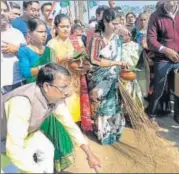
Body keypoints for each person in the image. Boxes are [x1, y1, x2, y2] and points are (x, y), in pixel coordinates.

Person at [2, 63, 101, 173]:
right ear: (46, 86)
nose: (67, 92)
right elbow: (14, 148)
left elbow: (70, 125)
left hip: (26, 134)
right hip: (4, 139)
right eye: (63, 87)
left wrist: (90, 154)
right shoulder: (22, 102)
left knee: (47, 149)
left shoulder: (54, 98)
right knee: (12, 169)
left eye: (68, 86)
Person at [87, 8, 127, 145]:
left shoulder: (118, 39)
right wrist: (116, 62)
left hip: (114, 78)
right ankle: (103, 134)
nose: (116, 27)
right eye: (114, 24)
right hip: (100, 80)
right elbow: (94, 60)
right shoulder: (97, 39)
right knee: (103, 107)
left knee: (114, 105)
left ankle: (114, 132)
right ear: (105, 21)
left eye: (118, 24)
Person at [146, 0, 179, 119]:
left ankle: (177, 116)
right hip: (162, 59)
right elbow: (150, 40)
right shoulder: (155, 15)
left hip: (178, 59)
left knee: (177, 89)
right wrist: (166, 50)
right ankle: (151, 114)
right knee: (158, 89)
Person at [47, 14, 83, 123]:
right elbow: (50, 64)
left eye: (68, 26)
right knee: (62, 109)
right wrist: (66, 57)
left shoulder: (77, 41)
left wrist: (82, 64)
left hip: (75, 78)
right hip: (59, 80)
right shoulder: (51, 44)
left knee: (75, 105)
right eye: (62, 26)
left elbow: (83, 56)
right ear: (56, 27)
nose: (66, 29)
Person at [1, 13, 26, 95]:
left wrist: (17, 50)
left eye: (4, 10)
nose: (2, 13)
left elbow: (28, 58)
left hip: (15, 83)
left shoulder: (17, 34)